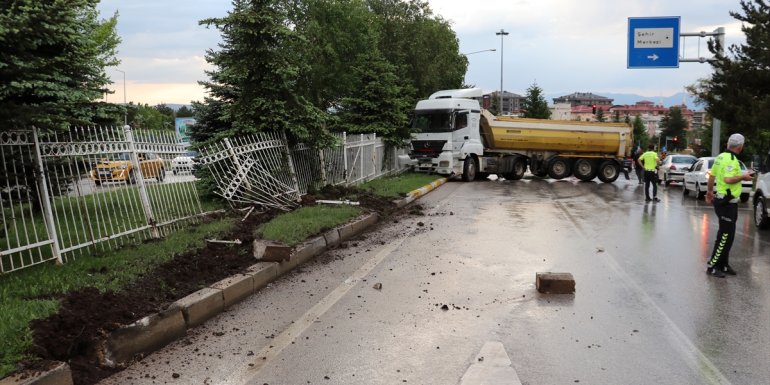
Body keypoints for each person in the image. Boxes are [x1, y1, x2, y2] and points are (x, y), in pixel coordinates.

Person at [705, 133, 755, 278]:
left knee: (729, 235)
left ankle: (723, 265)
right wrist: (743, 176)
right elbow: (728, 179)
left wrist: (709, 191)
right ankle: (712, 266)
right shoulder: (732, 160)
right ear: (740, 147)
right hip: (726, 202)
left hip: (727, 202)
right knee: (724, 235)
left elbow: (712, 175)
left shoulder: (720, 157)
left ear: (728, 144)